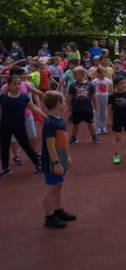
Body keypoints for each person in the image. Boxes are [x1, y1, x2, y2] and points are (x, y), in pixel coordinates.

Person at [40, 91, 77, 229]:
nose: (65, 103)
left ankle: (58, 210)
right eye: (63, 101)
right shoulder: (49, 122)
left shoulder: (60, 120)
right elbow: (50, 145)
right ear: (57, 104)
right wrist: (56, 163)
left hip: (62, 158)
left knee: (59, 186)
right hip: (53, 161)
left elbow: (64, 141)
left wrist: (67, 156)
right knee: (51, 188)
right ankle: (49, 217)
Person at [0, 75, 46, 178]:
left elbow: (34, 109)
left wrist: (46, 117)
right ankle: (5, 168)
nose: (17, 86)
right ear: (8, 85)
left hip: (19, 127)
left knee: (26, 146)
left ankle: (37, 164)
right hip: (5, 127)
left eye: (19, 84)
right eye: (14, 84)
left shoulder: (24, 97)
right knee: (4, 147)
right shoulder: (3, 97)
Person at [108, 76, 126, 164]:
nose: (123, 85)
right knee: (117, 137)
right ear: (116, 85)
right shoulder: (112, 96)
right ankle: (116, 154)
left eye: (124, 83)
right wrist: (109, 120)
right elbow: (109, 109)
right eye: (121, 83)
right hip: (117, 119)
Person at [68, 67, 99, 145]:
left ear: (82, 74)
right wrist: (69, 106)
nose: (74, 76)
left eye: (76, 74)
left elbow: (93, 96)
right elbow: (70, 97)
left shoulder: (90, 84)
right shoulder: (72, 85)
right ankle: (73, 138)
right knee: (75, 124)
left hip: (87, 108)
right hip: (76, 108)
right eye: (73, 74)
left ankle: (94, 137)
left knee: (90, 124)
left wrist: (95, 105)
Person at [92, 66, 112, 135]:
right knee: (98, 112)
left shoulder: (107, 81)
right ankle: (97, 128)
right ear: (98, 73)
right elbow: (92, 90)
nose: (103, 74)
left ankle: (103, 127)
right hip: (97, 97)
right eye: (101, 73)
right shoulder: (95, 81)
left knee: (104, 113)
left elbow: (110, 89)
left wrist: (109, 94)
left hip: (105, 97)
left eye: (104, 72)